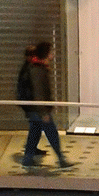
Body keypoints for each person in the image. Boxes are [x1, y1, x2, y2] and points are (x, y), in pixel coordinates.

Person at [16, 41, 72, 169]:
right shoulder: (37, 69)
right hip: (38, 110)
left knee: (35, 132)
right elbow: (39, 92)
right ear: (46, 53)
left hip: (34, 109)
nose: (52, 54)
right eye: (51, 52)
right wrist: (44, 113)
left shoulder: (38, 67)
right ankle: (61, 159)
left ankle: (27, 159)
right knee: (51, 133)